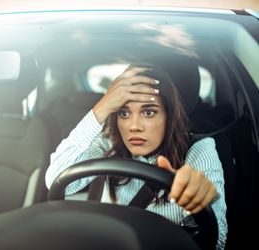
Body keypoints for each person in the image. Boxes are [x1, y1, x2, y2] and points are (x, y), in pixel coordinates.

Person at [45, 65, 227, 249]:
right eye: (124, 113)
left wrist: (196, 207)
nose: (134, 126)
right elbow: (55, 179)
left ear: (170, 116)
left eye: (148, 112)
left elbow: (217, 243)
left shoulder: (199, 150)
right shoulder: (110, 143)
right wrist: (101, 108)